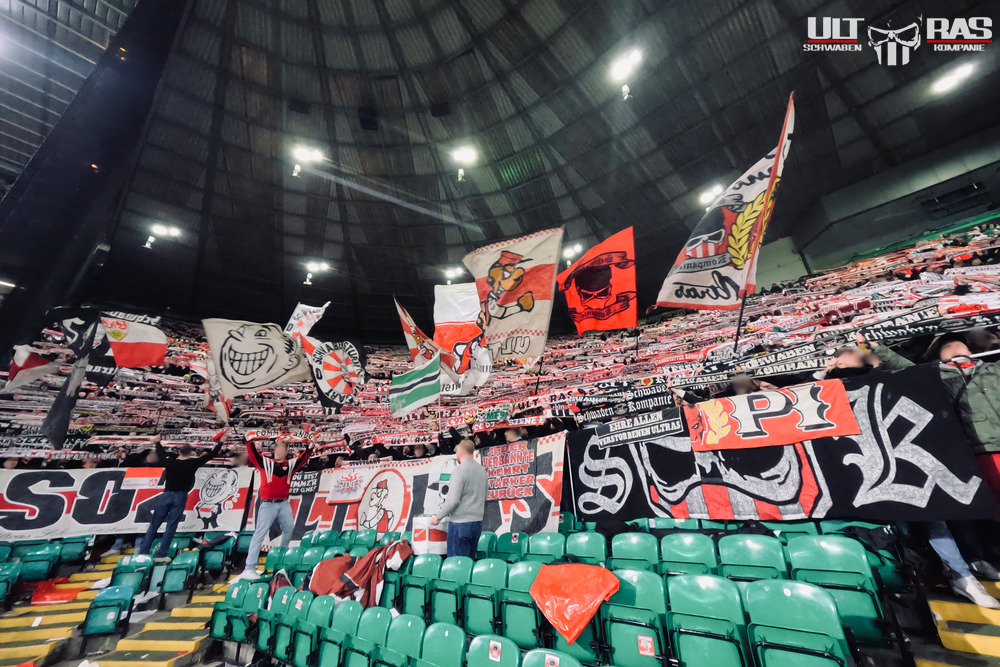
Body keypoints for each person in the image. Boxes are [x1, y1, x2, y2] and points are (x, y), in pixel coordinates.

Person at [236, 439, 312, 579]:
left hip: (283, 503)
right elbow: (253, 455)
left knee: (289, 528)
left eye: (283, 449)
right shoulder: (265, 463)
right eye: (278, 449)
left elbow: (303, 459)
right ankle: (249, 568)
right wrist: (249, 442)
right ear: (275, 450)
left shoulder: (290, 465)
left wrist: (309, 448)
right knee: (259, 534)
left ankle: (282, 556)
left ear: (286, 452)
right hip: (268, 504)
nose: (280, 451)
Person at [138, 440, 223, 558]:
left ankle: (143, 553)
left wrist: (157, 442)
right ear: (190, 453)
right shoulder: (192, 463)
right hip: (180, 496)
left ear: (179, 452)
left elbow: (161, 453)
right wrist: (220, 443)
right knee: (171, 526)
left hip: (166, 494)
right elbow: (211, 455)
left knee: (154, 525)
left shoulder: (170, 462)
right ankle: (161, 555)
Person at [430, 439, 487, 558]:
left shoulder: (459, 470)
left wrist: (438, 516)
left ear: (459, 450)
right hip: (477, 523)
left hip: (460, 523)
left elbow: (453, 500)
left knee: (456, 563)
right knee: (469, 562)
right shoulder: (482, 470)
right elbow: (484, 495)